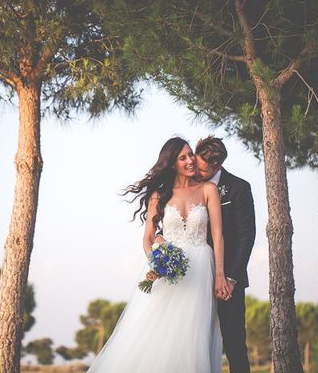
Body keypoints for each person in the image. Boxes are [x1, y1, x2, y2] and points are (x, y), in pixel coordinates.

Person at [87, 137, 225, 372]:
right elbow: (148, 237)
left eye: (191, 154)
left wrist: (220, 275)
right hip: (167, 270)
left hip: (201, 269)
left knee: (190, 333)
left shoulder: (208, 190)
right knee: (153, 329)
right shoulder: (158, 195)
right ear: (172, 163)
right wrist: (157, 264)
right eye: (183, 157)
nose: (190, 160)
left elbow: (218, 235)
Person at [194, 136, 256, 373]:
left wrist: (231, 278)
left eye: (201, 168)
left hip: (229, 279)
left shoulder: (240, 188)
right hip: (197, 276)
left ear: (217, 166)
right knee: (196, 340)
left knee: (234, 342)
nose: (196, 171)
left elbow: (246, 236)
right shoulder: (191, 185)